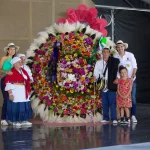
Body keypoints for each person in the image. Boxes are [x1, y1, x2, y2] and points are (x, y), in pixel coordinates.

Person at [94, 47, 120, 124]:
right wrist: (95, 76)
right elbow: (96, 71)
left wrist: (118, 78)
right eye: (104, 52)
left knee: (112, 102)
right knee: (104, 102)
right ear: (102, 53)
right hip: (102, 84)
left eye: (107, 52)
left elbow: (118, 70)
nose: (105, 54)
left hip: (111, 83)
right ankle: (105, 118)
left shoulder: (114, 61)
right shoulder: (98, 62)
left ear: (109, 53)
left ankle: (114, 118)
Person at [114, 40, 137, 123]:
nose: (120, 48)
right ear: (116, 48)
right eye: (118, 47)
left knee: (132, 98)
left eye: (121, 46)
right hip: (121, 82)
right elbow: (116, 70)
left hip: (131, 80)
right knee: (121, 99)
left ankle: (133, 115)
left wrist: (133, 75)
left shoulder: (130, 55)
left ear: (124, 47)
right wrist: (117, 78)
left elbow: (134, 66)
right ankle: (122, 117)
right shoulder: (115, 57)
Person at [4, 57, 32, 127]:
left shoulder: (23, 71)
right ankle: (14, 120)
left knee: (24, 105)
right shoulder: (11, 72)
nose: (20, 63)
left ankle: (23, 120)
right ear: (14, 64)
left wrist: (28, 90)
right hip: (15, 91)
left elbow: (27, 81)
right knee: (15, 105)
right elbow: (7, 83)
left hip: (23, 91)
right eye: (18, 62)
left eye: (20, 62)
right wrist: (10, 93)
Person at [0, 43, 19, 126]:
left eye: (13, 49)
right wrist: (6, 72)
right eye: (10, 49)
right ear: (8, 50)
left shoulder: (15, 60)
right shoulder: (4, 58)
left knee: (12, 99)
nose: (12, 51)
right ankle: (3, 118)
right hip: (4, 79)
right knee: (6, 98)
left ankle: (10, 118)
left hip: (12, 81)